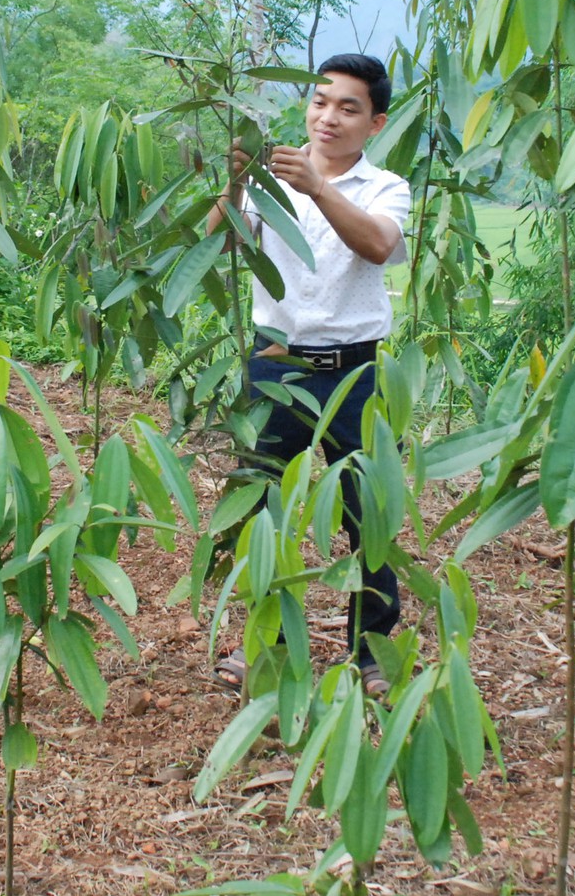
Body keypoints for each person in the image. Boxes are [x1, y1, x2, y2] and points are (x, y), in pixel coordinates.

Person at [210, 53, 410, 699]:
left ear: (375, 122)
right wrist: (236, 185)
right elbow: (215, 246)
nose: (328, 117)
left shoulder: (385, 187)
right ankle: (262, 641)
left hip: (355, 372)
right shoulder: (270, 177)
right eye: (320, 101)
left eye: (348, 107)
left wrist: (317, 187)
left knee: (367, 512)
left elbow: (379, 245)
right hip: (273, 363)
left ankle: (370, 646)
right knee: (262, 509)